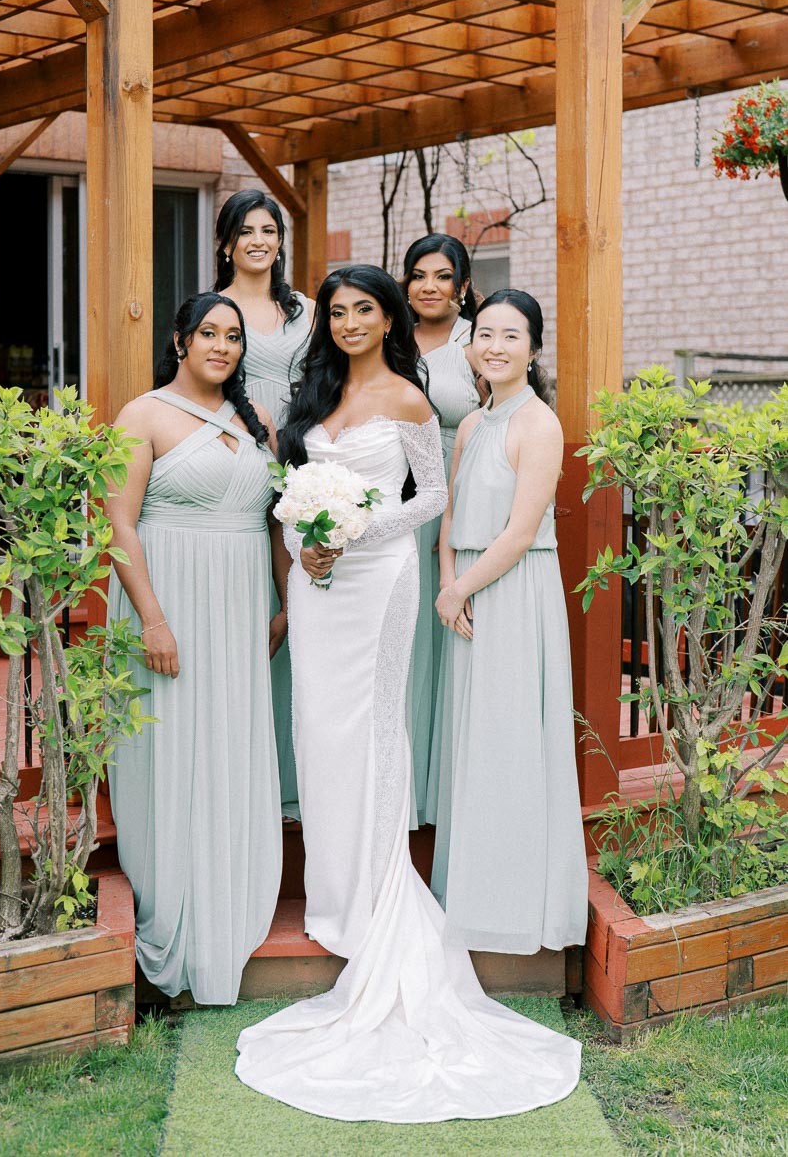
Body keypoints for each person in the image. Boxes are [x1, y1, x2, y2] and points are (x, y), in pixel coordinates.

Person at [235, 267, 581, 1122]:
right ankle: (333, 899)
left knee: (372, 731)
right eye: (339, 311)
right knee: (317, 730)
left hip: (379, 582)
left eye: (365, 310)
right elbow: (289, 495)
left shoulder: (414, 400)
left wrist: (351, 529)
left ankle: (378, 900)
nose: (351, 322)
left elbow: (429, 500)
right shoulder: (313, 397)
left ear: (389, 318)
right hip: (319, 587)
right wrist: (307, 536)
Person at [106, 292, 285, 1005]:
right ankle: (176, 895)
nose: (222, 345)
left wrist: (284, 603)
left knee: (231, 739)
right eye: (208, 332)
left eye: (234, 336)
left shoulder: (260, 422)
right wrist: (152, 619)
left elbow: (276, 521)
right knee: (173, 742)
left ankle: (228, 886)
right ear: (180, 340)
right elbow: (119, 521)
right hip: (171, 595)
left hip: (243, 604)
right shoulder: (142, 415)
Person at [431, 289, 588, 955]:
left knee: (509, 741)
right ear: (471, 346)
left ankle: (513, 902)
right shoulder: (471, 426)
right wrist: (448, 584)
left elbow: (521, 532)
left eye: (512, 335)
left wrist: (460, 586)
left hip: (513, 594)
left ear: (534, 347)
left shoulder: (538, 424)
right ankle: (467, 894)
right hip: (465, 594)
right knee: (471, 745)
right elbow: (448, 516)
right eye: (485, 333)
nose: (495, 346)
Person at [213, 190, 313, 820]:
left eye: (269, 230)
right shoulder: (216, 308)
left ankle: (292, 778)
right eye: (246, 230)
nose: (259, 240)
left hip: (304, 447)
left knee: (300, 589)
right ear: (226, 242)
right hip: (240, 444)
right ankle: (241, 776)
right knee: (251, 588)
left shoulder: (302, 307)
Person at [400, 233, 481, 826]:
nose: (429, 286)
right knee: (403, 640)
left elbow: (498, 422)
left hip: (460, 497)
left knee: (449, 637)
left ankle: (446, 790)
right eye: (418, 274)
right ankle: (402, 788)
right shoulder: (386, 337)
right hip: (395, 500)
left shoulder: (478, 342)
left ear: (463, 285)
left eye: (442, 275)